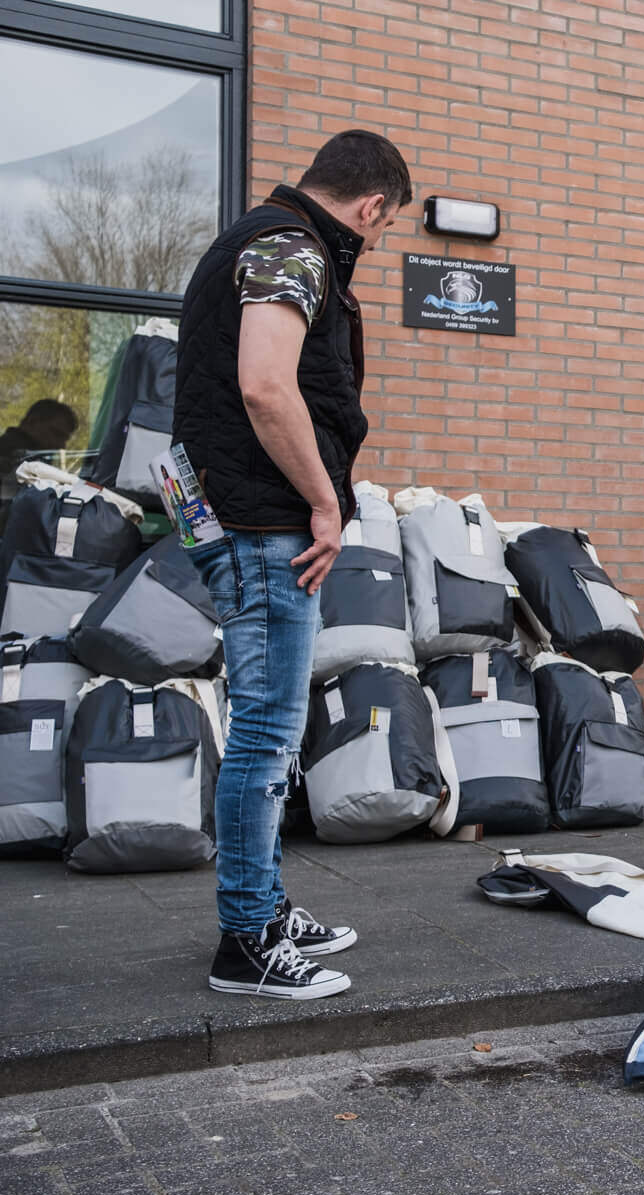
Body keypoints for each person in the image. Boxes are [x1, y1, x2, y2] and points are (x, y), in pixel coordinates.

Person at [174, 130, 412, 998]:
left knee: (267, 735)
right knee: (266, 738)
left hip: (239, 514)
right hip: (267, 524)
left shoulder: (259, 235)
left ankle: (264, 906)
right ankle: (246, 941)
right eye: (382, 234)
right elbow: (266, 385)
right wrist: (323, 501)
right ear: (373, 205)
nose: (374, 246)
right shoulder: (291, 247)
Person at [0, 398, 80, 525]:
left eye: (64, 438)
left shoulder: (33, 455)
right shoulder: (15, 456)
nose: (61, 445)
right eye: (56, 434)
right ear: (32, 422)